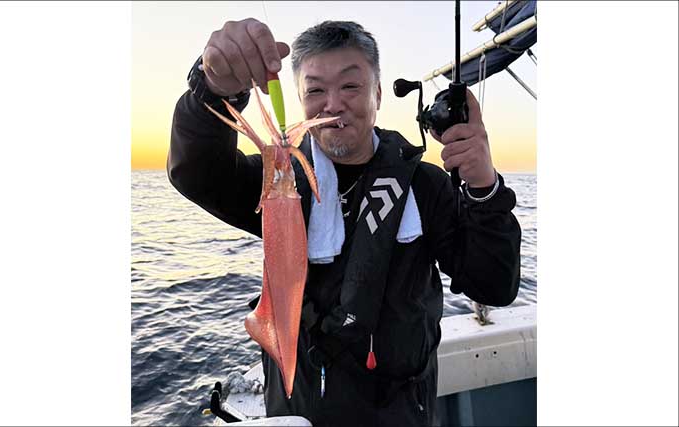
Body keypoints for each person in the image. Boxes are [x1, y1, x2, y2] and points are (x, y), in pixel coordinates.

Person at [168, 18, 521, 427]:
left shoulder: (425, 186)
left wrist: (484, 188)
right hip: (298, 415)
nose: (333, 104)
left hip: (402, 415)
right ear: (300, 100)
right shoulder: (279, 183)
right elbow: (197, 172)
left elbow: (494, 285)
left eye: (350, 86)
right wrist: (211, 88)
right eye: (315, 90)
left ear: (377, 94)